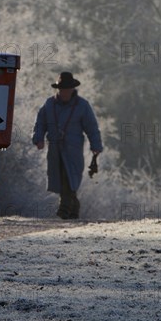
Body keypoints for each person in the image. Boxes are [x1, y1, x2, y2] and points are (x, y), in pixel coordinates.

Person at [32, 72, 103, 219]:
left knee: (69, 176)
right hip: (54, 148)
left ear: (72, 89)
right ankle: (74, 207)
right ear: (58, 89)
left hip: (73, 149)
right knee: (59, 177)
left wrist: (96, 146)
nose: (64, 92)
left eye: (67, 89)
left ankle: (64, 209)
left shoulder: (82, 105)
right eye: (62, 89)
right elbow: (40, 123)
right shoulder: (49, 104)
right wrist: (38, 138)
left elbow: (91, 127)